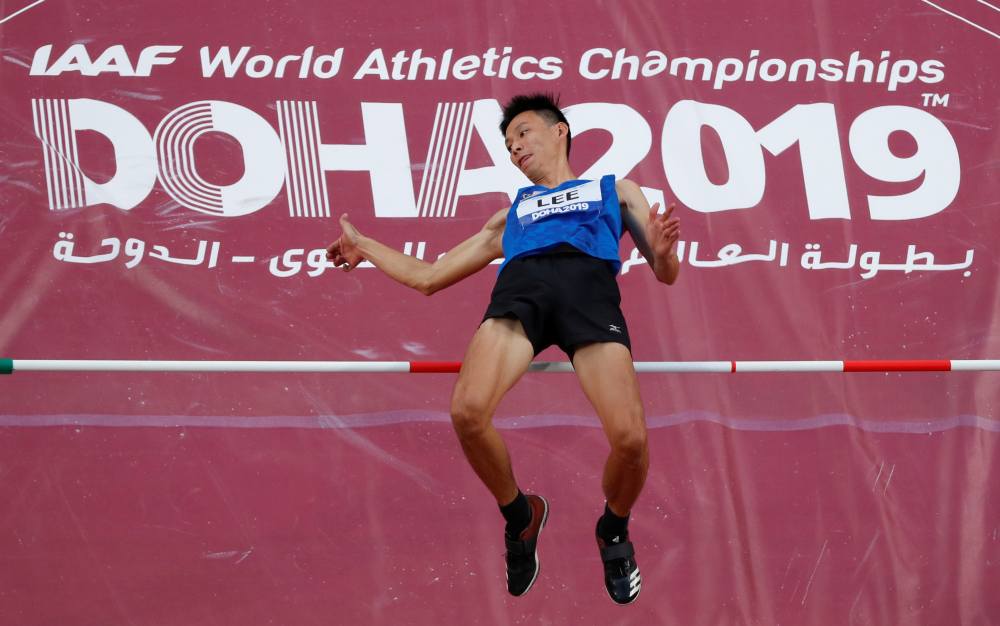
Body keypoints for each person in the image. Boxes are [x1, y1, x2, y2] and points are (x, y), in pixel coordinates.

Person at [326, 93, 680, 604]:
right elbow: (429, 278)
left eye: (524, 134)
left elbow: (667, 273)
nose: (515, 148)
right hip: (521, 300)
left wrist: (664, 254)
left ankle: (614, 527)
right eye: (509, 144)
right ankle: (521, 515)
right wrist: (366, 247)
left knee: (630, 441)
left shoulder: (616, 191)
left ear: (560, 132)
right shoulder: (510, 215)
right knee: (468, 413)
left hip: (589, 301)